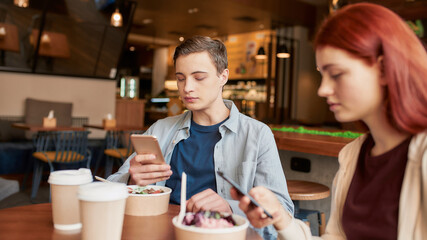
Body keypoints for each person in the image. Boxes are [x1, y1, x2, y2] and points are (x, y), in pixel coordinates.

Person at [231, 3, 427, 240]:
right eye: (322, 75)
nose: (323, 90)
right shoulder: (353, 155)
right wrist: (281, 218)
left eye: (336, 74)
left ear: (384, 69)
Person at [107, 36, 294, 239]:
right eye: (180, 78)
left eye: (199, 77)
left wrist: (230, 208)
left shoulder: (257, 135)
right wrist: (132, 182)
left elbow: (283, 212)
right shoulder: (160, 129)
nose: (187, 88)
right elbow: (109, 188)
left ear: (223, 76)